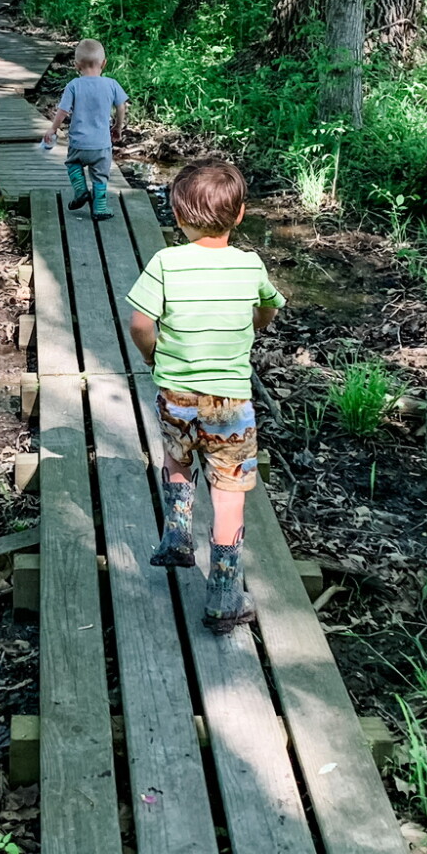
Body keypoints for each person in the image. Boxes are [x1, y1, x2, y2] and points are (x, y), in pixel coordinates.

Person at [126, 160, 284, 633]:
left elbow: (140, 323)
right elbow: (268, 307)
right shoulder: (249, 264)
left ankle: (176, 532)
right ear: (239, 216)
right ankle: (223, 596)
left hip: (177, 393)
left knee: (178, 458)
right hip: (231, 403)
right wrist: (252, 327)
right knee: (230, 493)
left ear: (178, 216)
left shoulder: (165, 262)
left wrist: (155, 357)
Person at [40, 39, 128, 219]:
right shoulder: (111, 84)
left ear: (76, 65)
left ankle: (80, 190)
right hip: (102, 146)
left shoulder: (73, 85)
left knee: (73, 164)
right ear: (104, 63)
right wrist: (118, 127)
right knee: (100, 176)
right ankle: (100, 209)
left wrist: (53, 129)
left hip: (79, 144)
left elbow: (63, 111)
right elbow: (121, 106)